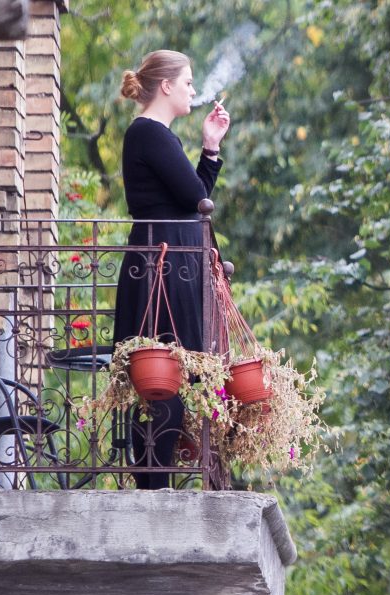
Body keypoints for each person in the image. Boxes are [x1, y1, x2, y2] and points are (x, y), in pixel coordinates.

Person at [115, 50, 230, 489]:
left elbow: (194, 199)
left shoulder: (154, 135)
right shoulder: (150, 133)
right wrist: (210, 150)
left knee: (168, 371)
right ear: (165, 86)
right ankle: (152, 485)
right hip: (164, 266)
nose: (193, 90)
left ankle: (156, 482)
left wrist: (211, 146)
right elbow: (195, 196)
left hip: (168, 262)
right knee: (163, 373)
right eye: (187, 82)